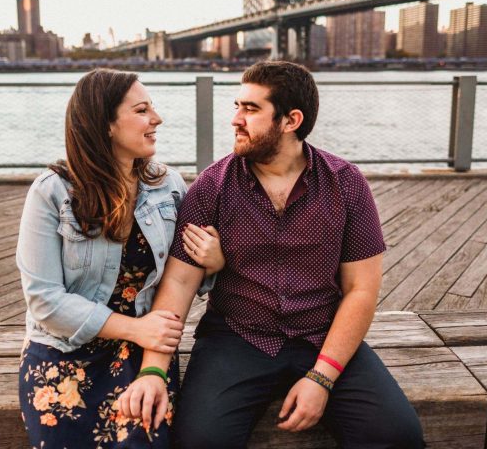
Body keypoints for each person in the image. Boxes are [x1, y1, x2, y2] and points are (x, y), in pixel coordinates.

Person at [118, 61, 426, 448]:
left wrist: (322, 377)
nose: (235, 119)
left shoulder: (346, 185)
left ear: (290, 120)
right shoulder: (211, 188)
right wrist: (153, 371)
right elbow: (179, 284)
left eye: (250, 109)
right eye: (237, 106)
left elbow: (361, 290)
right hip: (237, 337)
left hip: (323, 335)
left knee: (397, 435)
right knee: (200, 441)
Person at [16, 68, 224, 448]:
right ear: (105, 125)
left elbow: (185, 278)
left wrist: (213, 263)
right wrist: (134, 328)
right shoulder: (52, 193)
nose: (156, 119)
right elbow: (44, 300)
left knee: (143, 437)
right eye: (142, 110)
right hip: (63, 352)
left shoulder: (169, 186)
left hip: (143, 354)